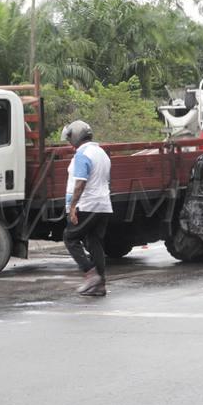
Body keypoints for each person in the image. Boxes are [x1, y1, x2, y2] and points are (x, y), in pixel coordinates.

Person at [63, 120, 114, 297]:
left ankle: (90, 274)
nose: (70, 142)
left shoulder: (82, 154)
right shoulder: (101, 153)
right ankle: (100, 285)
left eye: (70, 138)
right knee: (94, 243)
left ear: (76, 136)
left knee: (70, 238)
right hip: (103, 205)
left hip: (87, 205)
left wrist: (72, 206)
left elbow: (80, 183)